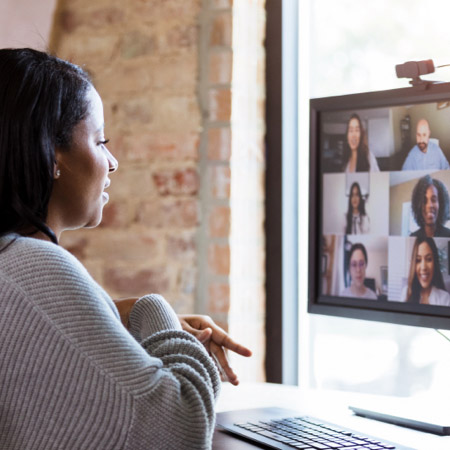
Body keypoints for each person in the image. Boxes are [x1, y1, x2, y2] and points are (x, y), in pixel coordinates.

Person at [0, 48, 251, 449]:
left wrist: (119, 313)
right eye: (100, 141)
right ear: (52, 154)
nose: (112, 162)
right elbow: (179, 431)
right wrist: (154, 310)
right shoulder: (33, 263)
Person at [401, 237, 450, 306]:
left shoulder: (445, 298)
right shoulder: (405, 293)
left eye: (429, 259)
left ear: (435, 263)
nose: (423, 267)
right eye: (418, 260)